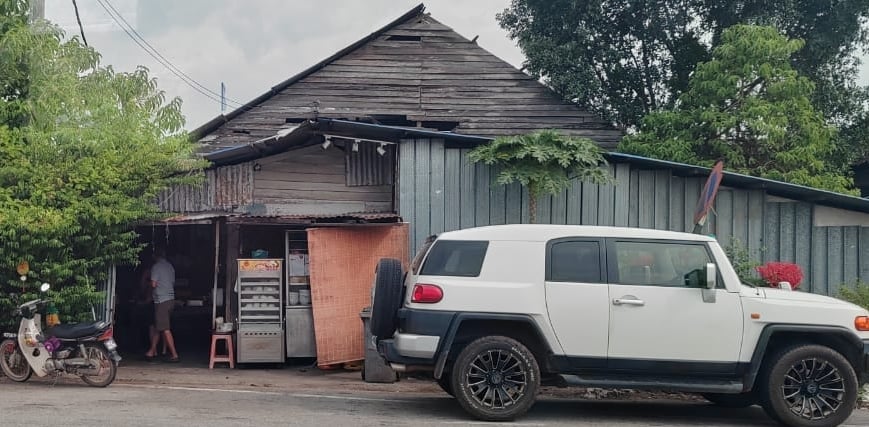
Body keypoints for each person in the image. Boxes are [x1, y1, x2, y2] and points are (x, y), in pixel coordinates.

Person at [145, 248, 179, 363]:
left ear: (155, 256)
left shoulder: (156, 267)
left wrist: (146, 282)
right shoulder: (170, 266)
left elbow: (154, 284)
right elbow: (172, 282)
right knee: (158, 326)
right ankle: (152, 351)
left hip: (162, 300)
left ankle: (174, 354)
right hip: (170, 299)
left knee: (165, 328)